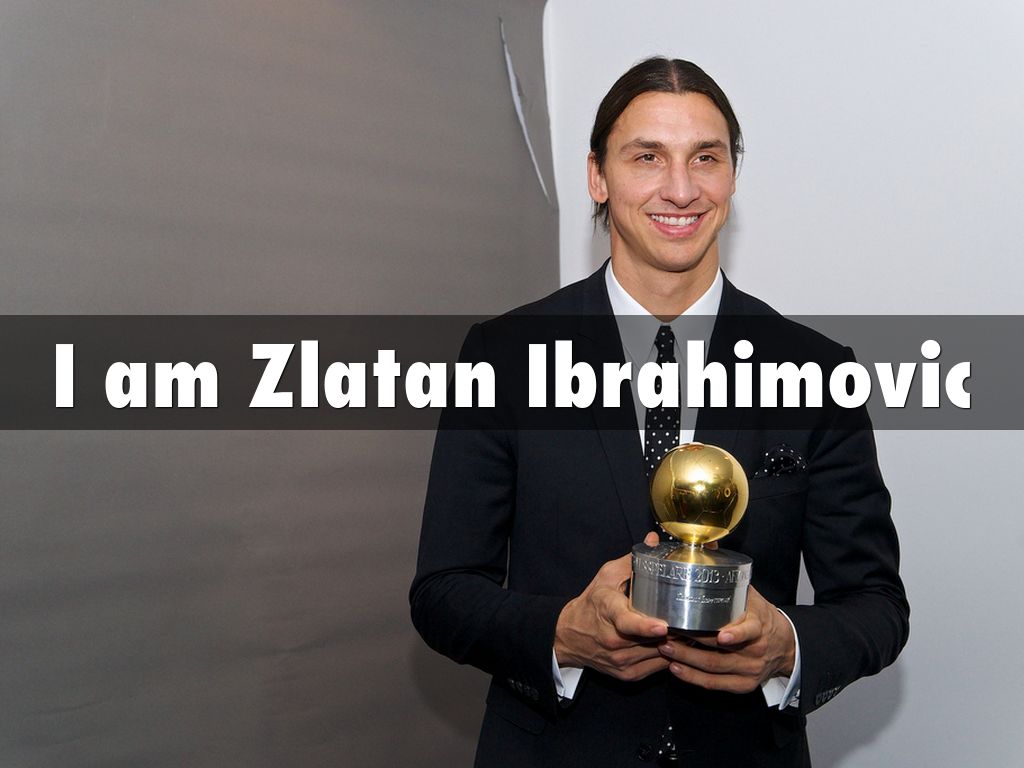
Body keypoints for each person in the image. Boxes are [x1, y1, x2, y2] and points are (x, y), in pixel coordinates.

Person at [410, 57, 909, 767]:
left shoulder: (819, 372)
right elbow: (443, 590)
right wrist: (561, 633)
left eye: (706, 157)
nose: (681, 188)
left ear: (732, 177)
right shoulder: (504, 355)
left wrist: (785, 647)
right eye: (647, 157)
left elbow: (875, 604)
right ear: (598, 177)